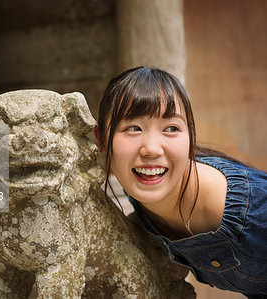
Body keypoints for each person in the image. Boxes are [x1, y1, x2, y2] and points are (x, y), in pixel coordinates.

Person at [94, 66, 267, 298]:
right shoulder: (140, 190)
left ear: (190, 137)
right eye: (133, 128)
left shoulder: (249, 213)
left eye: (171, 128)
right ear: (101, 139)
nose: (152, 149)